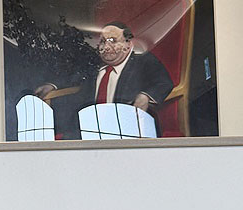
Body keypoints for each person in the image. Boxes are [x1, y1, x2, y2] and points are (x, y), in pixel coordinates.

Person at [34, 24, 174, 138]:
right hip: (89, 128)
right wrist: (52, 85)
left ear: (128, 44)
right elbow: (74, 76)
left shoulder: (143, 61)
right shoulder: (94, 62)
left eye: (113, 41)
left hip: (125, 128)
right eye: (102, 41)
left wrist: (145, 96)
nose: (106, 47)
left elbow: (163, 82)